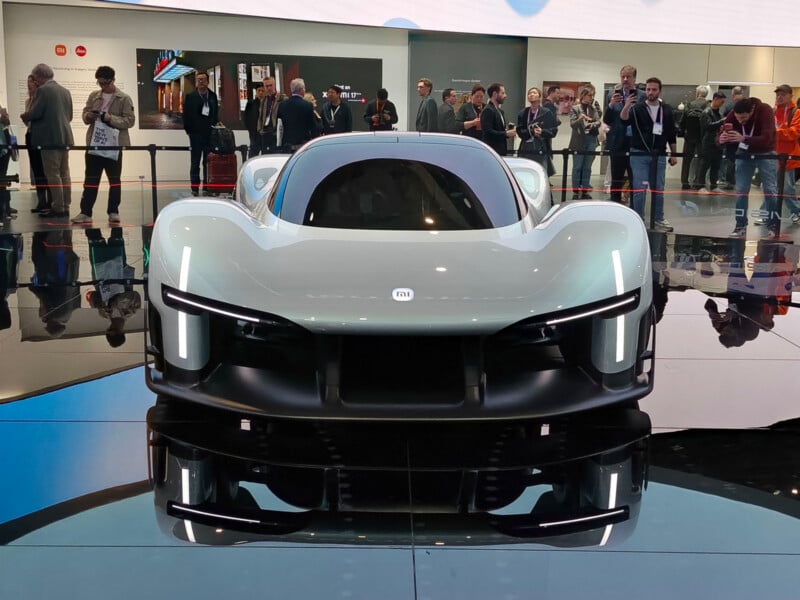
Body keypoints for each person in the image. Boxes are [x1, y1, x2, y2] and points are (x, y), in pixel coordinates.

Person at [71, 66, 135, 225]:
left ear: (113, 80)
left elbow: (129, 121)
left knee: (114, 180)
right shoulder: (94, 96)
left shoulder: (124, 98)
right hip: (95, 143)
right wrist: (89, 116)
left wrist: (109, 118)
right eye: (99, 83)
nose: (102, 87)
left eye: (105, 83)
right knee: (90, 179)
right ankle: (85, 212)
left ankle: (113, 211)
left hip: (114, 145)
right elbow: (84, 116)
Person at [620, 76, 678, 231]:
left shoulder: (666, 109)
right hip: (639, 154)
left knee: (658, 188)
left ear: (659, 91)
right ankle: (638, 219)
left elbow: (671, 133)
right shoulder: (638, 108)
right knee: (639, 189)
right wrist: (626, 106)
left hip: (659, 154)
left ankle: (659, 219)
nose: (650, 92)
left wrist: (674, 154)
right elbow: (624, 120)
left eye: (654, 89)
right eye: (648, 89)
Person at [717, 97, 777, 237]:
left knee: (770, 190)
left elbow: (767, 138)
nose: (740, 121)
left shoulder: (765, 110)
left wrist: (744, 139)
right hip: (744, 153)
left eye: (743, 118)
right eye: (738, 118)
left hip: (765, 152)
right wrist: (720, 139)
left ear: (752, 111)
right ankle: (740, 225)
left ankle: (773, 225)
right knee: (741, 191)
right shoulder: (734, 113)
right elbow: (721, 132)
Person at [20, 63, 74, 219]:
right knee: (64, 172)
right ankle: (65, 204)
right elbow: (69, 116)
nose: (35, 82)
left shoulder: (43, 91)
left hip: (48, 140)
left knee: (52, 173)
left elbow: (36, 112)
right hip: (64, 138)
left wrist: (26, 116)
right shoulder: (65, 91)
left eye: (35, 79)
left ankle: (57, 206)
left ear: (39, 77)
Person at [603, 65, 645, 204]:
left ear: (634, 78)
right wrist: (610, 105)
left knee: (635, 178)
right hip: (617, 141)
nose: (625, 79)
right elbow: (607, 120)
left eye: (628, 77)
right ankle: (615, 206)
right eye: (623, 76)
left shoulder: (642, 96)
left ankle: (635, 207)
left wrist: (631, 107)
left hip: (635, 142)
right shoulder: (612, 95)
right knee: (616, 177)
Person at [183, 71, 218, 196]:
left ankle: (207, 186)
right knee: (195, 161)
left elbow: (216, 114)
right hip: (195, 134)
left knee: (208, 162)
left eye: (203, 79)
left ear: (208, 81)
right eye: (199, 80)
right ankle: (194, 187)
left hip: (209, 134)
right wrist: (189, 131)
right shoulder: (191, 97)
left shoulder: (212, 96)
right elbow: (186, 116)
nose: (201, 82)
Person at [771, 84, 800, 224]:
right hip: (772, 156)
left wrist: (776, 132)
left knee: (787, 187)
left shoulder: (796, 112)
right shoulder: (772, 111)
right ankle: (768, 213)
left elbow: (793, 133)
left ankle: (796, 211)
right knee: (770, 186)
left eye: (782, 94)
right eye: (777, 94)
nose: (779, 97)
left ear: (790, 95)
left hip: (788, 157)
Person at [22, 75, 51, 213]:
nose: (29, 86)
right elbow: (28, 122)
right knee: (37, 170)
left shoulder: (42, 99)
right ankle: (41, 201)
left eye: (31, 83)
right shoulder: (28, 101)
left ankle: (51, 201)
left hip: (42, 137)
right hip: (31, 135)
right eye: (27, 84)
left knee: (46, 169)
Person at [568, 85, 602, 199]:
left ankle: (585, 187)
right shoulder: (575, 108)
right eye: (589, 95)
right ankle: (576, 188)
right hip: (578, 140)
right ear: (583, 95)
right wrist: (581, 118)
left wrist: (591, 124)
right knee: (577, 166)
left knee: (587, 166)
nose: (591, 98)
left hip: (591, 139)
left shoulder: (593, 109)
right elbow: (572, 124)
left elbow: (598, 122)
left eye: (592, 96)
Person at [516, 86, 557, 173]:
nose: (531, 95)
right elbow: (519, 131)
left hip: (541, 148)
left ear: (539, 96)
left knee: (540, 173)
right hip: (526, 148)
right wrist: (531, 131)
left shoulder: (546, 113)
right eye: (529, 93)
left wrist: (542, 132)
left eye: (534, 93)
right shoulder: (522, 113)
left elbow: (553, 131)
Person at [694, 91, 726, 194]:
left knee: (715, 166)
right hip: (707, 143)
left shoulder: (719, 114)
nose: (722, 104)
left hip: (717, 143)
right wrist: (721, 122)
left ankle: (713, 186)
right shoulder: (706, 112)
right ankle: (700, 186)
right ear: (715, 99)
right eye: (721, 102)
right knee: (704, 165)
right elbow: (707, 126)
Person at [276, 78, 319, 151]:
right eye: (304, 88)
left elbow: (280, 125)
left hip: (287, 144)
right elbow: (312, 126)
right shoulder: (307, 105)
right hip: (302, 145)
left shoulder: (282, 105)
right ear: (301, 89)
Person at [680, 85, 710, 190]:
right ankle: (698, 182)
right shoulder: (708, 106)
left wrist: (682, 131)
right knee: (701, 160)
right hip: (702, 137)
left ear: (697, 94)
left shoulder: (689, 105)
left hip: (689, 136)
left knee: (686, 160)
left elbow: (683, 120)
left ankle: (684, 181)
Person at [480, 82, 516, 156]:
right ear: (495, 94)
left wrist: (506, 132)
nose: (505, 96)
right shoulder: (488, 110)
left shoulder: (499, 111)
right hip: (492, 152)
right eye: (502, 93)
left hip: (499, 151)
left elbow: (497, 130)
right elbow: (488, 132)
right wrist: (506, 134)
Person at [257, 76, 284, 154]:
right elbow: (260, 116)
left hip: (276, 133)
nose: (269, 88)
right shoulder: (263, 100)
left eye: (270, 85)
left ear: (274, 85)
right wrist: (259, 129)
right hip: (265, 133)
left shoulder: (281, 98)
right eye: (266, 86)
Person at [243, 83, 264, 158]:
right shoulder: (251, 104)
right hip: (254, 134)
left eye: (262, 91)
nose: (261, 93)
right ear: (256, 92)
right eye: (259, 91)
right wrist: (251, 130)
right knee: (253, 155)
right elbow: (246, 119)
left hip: (265, 134)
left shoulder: (267, 103)